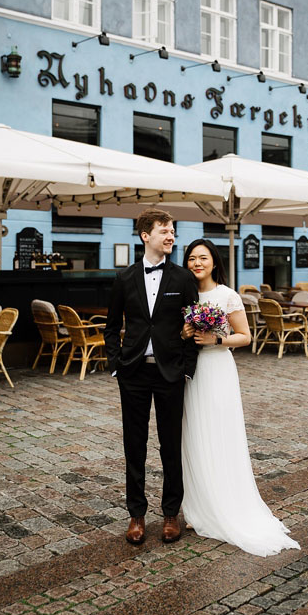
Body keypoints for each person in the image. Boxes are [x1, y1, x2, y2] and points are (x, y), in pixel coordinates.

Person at [179, 239, 300, 556]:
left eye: (202, 258)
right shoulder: (185, 295)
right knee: (193, 435)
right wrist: (186, 333)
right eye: (191, 258)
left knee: (219, 433)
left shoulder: (227, 295)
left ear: (214, 262)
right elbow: (176, 334)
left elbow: (245, 336)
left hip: (218, 369)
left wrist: (215, 338)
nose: (196, 263)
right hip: (192, 372)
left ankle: (225, 504)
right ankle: (196, 507)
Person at [104, 208, 198, 545]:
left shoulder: (184, 279)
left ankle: (171, 513)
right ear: (146, 235)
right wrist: (116, 364)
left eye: (173, 230)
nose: (170, 235)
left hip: (170, 372)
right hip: (132, 373)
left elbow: (194, 324)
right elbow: (111, 326)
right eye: (164, 230)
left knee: (171, 444)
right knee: (135, 445)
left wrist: (187, 368)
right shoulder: (124, 278)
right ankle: (137, 515)